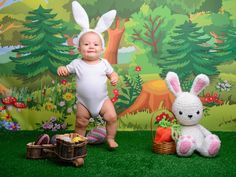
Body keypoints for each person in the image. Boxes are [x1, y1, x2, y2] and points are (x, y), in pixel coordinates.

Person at [57, 31, 119, 149]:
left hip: (102, 101)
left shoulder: (104, 63)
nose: (91, 46)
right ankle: (78, 143)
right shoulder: (77, 63)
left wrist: (114, 78)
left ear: (102, 49)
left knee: (111, 117)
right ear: (79, 49)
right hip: (84, 103)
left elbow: (112, 73)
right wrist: (62, 68)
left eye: (95, 44)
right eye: (86, 44)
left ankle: (110, 138)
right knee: (80, 123)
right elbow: (66, 70)